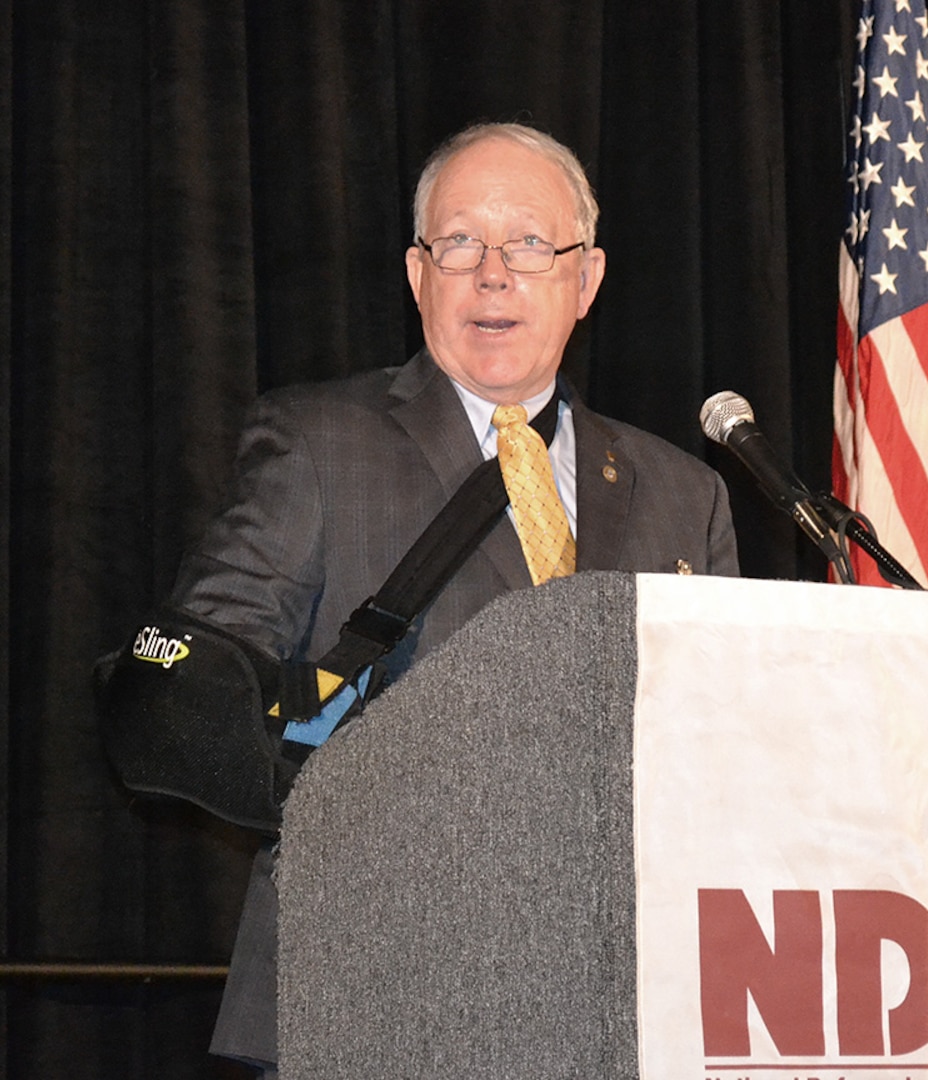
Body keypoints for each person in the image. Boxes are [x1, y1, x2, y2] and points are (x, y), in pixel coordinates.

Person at [169, 121, 739, 1075]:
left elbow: (729, 743)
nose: (492, 275)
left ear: (586, 279)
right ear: (416, 272)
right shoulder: (317, 445)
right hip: (370, 994)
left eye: (528, 244)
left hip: (621, 1008)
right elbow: (204, 685)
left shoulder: (686, 490)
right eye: (459, 243)